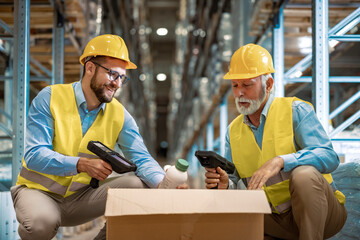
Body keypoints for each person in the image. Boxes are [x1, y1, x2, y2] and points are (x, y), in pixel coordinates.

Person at [11, 34, 182, 240]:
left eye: (122, 77)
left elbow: (141, 158)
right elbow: (34, 155)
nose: (117, 83)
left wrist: (163, 185)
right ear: (90, 67)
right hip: (38, 193)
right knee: (40, 224)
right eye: (112, 74)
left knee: (140, 187)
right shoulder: (51, 97)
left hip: (81, 199)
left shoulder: (120, 115)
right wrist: (81, 164)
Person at [204, 44, 347, 240]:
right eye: (235, 85)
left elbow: (329, 157)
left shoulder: (295, 111)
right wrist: (225, 184)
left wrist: (281, 161)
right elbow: (237, 182)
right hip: (274, 218)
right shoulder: (233, 131)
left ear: (268, 84)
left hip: (322, 214)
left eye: (247, 85)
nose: (239, 93)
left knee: (303, 175)